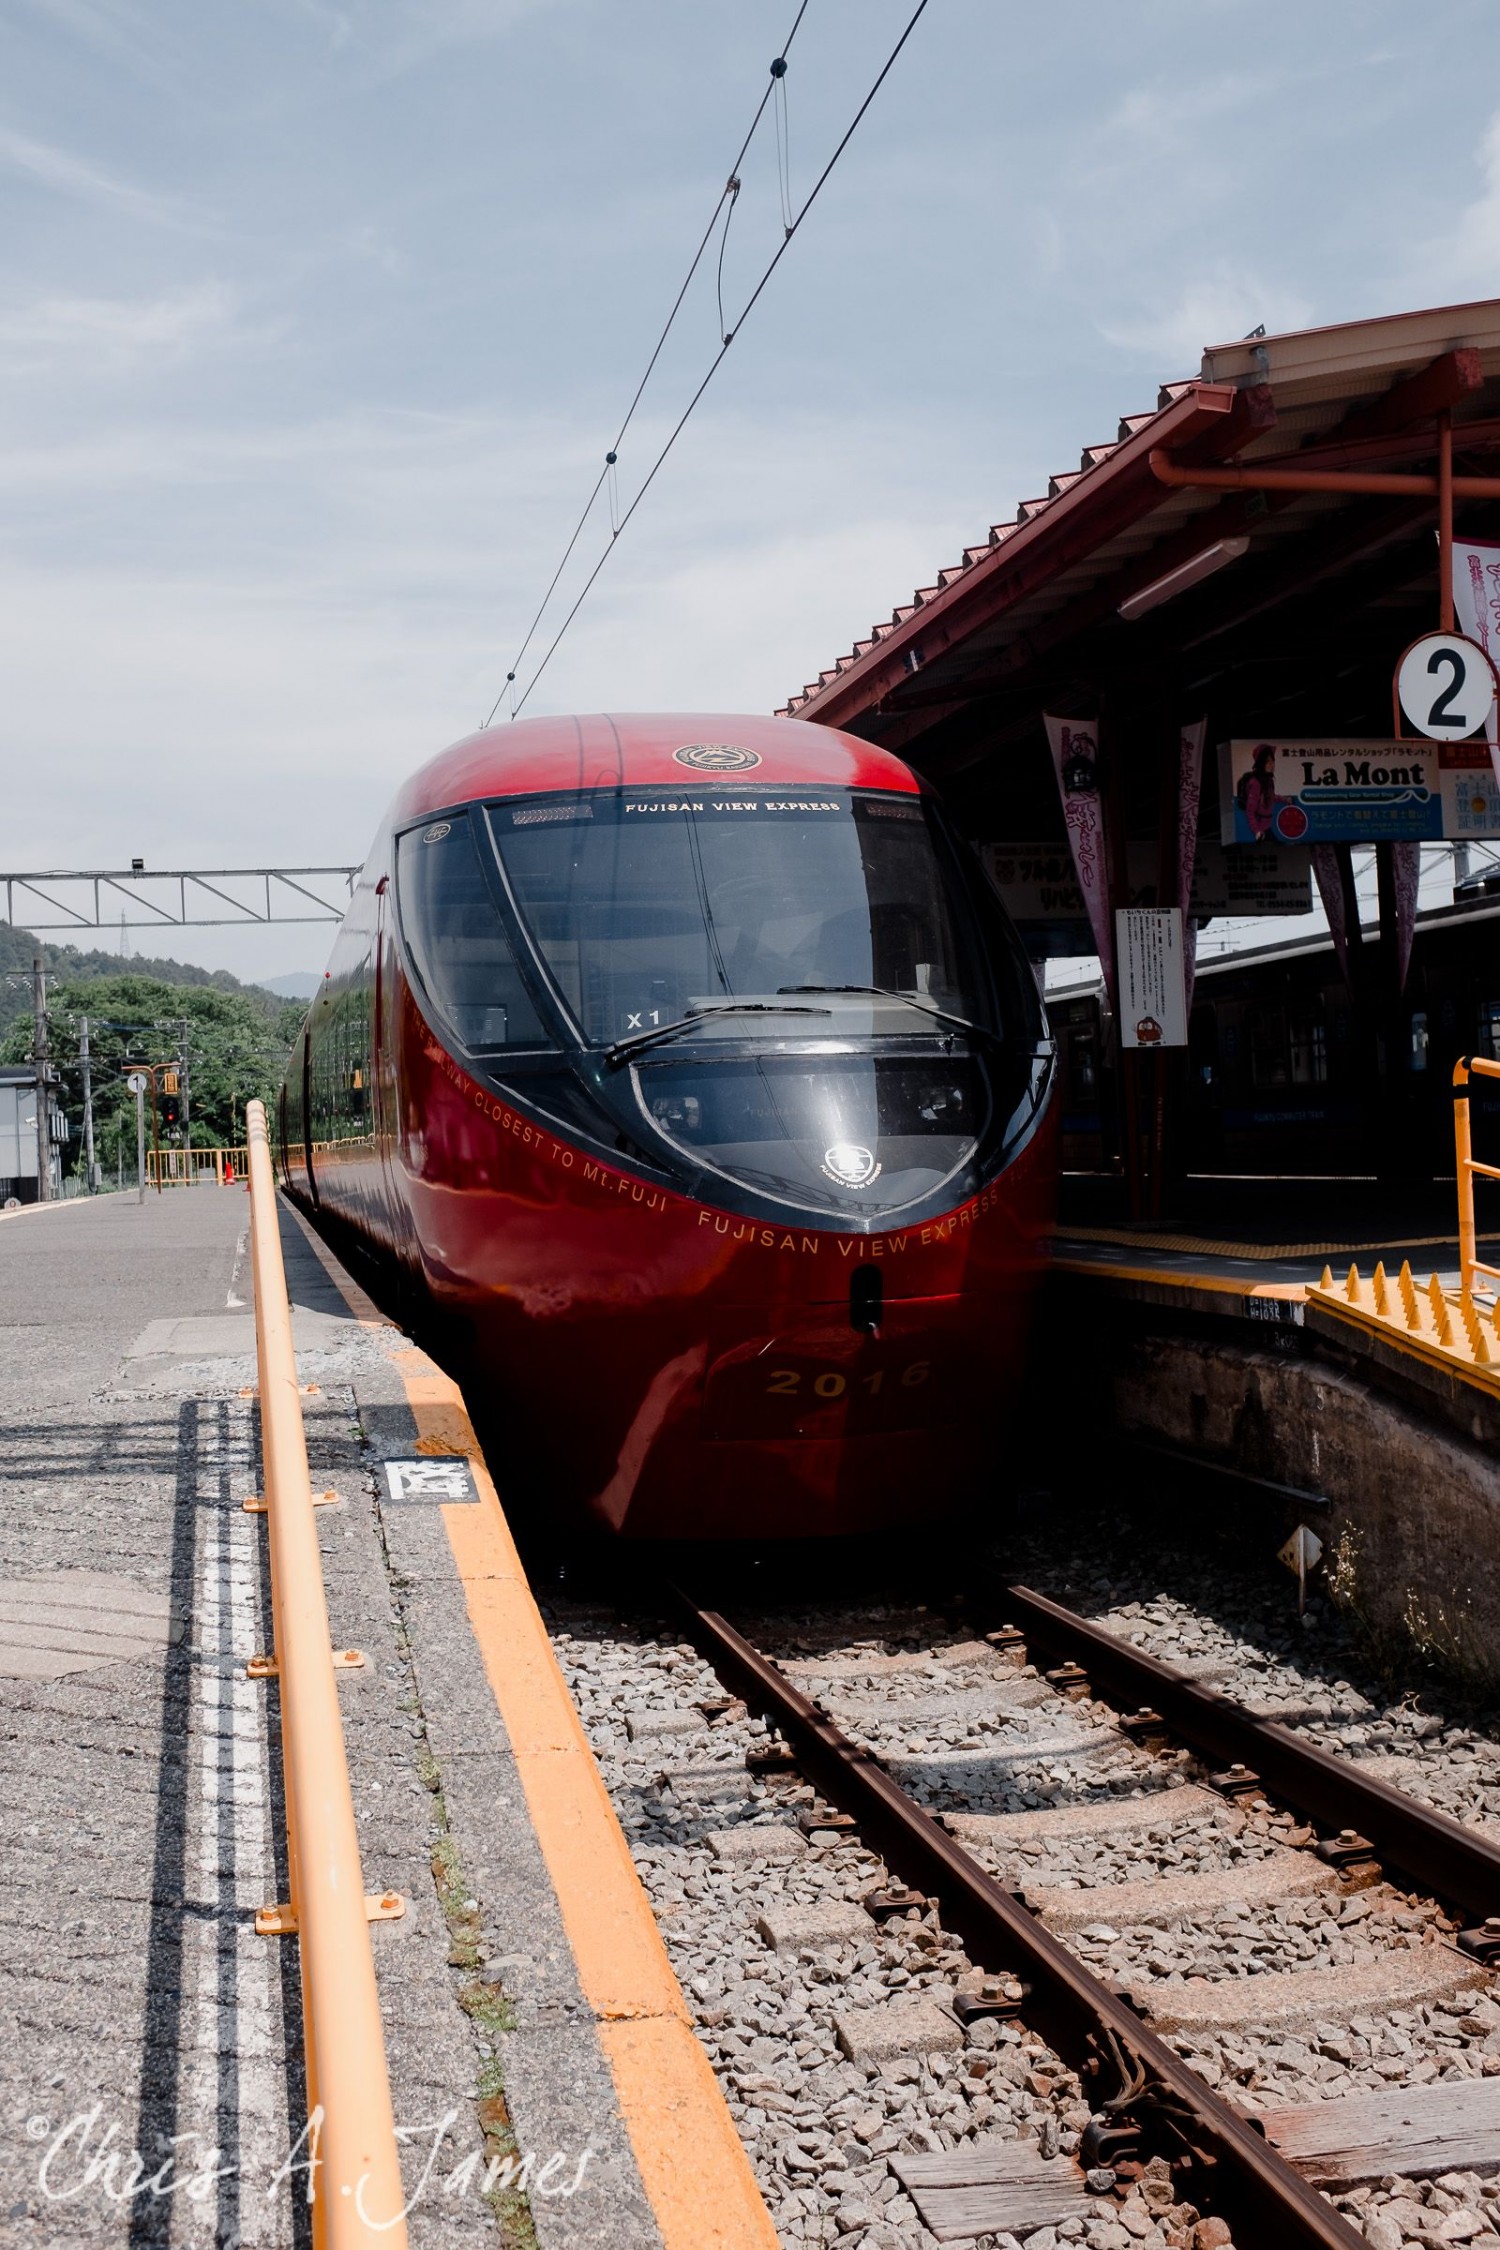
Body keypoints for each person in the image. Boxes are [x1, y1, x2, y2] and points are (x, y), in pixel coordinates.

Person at [1239, 742, 1278, 841]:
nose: (1272, 764)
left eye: (1273, 761)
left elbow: (1271, 797)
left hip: (1267, 827)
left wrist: (1285, 800)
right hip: (1260, 830)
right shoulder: (1255, 783)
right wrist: (1257, 831)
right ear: (1261, 763)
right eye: (1268, 761)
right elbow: (1250, 811)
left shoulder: (1268, 781)